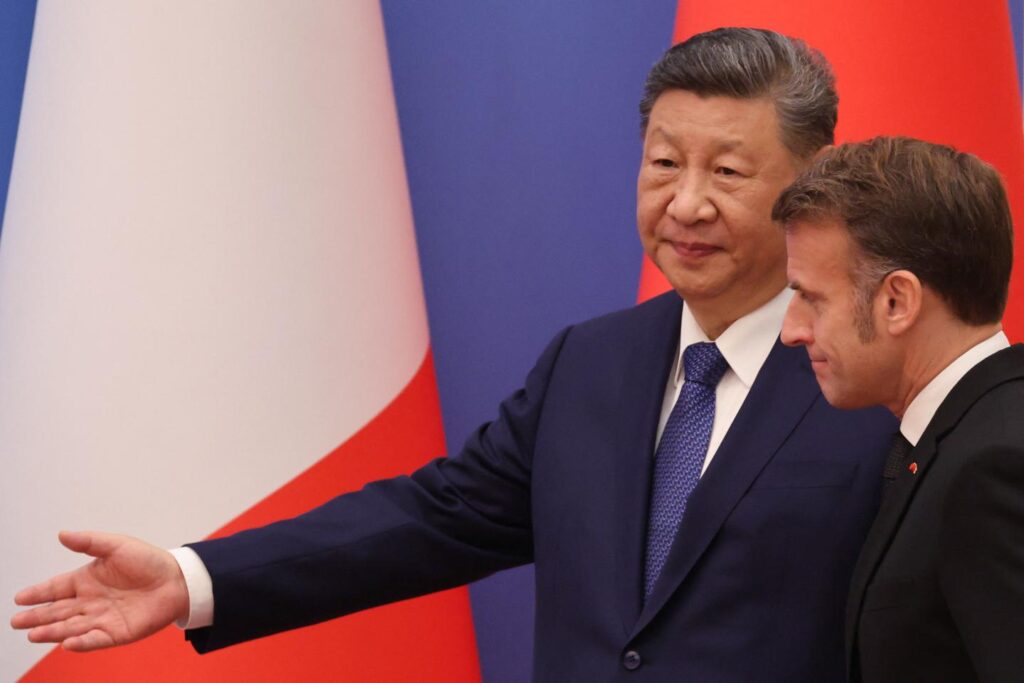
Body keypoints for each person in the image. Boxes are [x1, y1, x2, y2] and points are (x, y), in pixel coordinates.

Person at [12, 28, 896, 681]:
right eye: (664, 163)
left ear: (811, 181)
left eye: (728, 173)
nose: (686, 203)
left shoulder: (880, 378)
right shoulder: (592, 364)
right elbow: (434, 518)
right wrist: (192, 578)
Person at [775, 136, 1023, 683]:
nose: (791, 330)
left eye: (811, 298)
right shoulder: (964, 438)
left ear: (897, 301)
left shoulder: (994, 467)